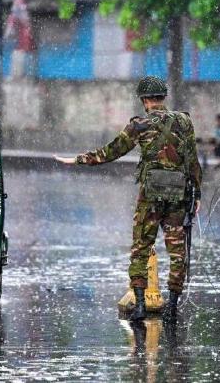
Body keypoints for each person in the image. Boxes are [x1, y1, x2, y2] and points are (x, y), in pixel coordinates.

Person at [54, 77, 202, 322]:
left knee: (141, 248)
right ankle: (173, 306)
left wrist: (79, 159)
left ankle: (141, 305)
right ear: (163, 97)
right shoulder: (184, 121)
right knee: (178, 252)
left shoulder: (139, 124)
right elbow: (193, 160)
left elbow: (111, 152)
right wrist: (197, 194)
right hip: (179, 195)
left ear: (144, 100)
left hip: (150, 196)